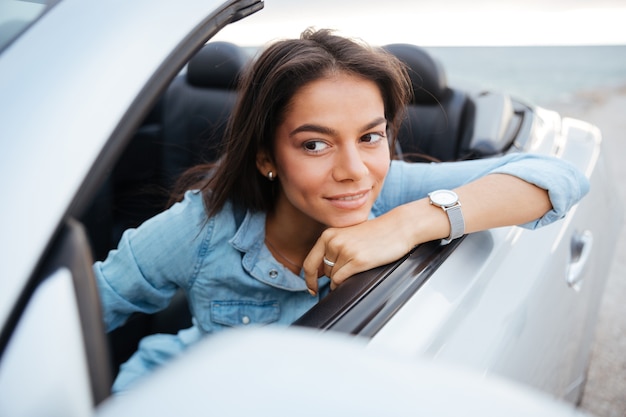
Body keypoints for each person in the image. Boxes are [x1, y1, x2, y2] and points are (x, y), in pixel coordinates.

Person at [94, 28, 589, 392]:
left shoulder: (393, 188)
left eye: (370, 137)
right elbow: (93, 301)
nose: (355, 171)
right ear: (266, 157)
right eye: (315, 145)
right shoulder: (202, 225)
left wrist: (407, 223)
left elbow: (558, 177)